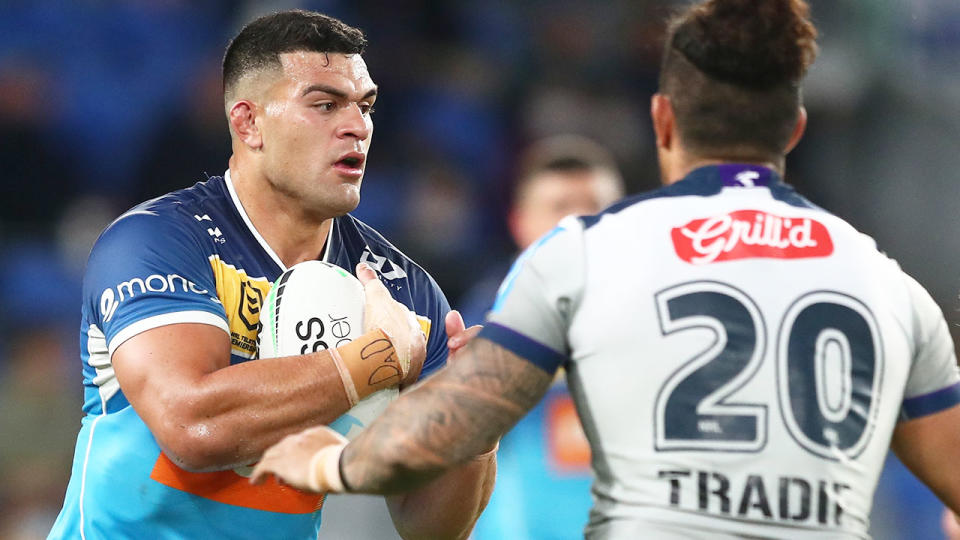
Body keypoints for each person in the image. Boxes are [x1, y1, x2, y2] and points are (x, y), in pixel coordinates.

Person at [251, 1, 960, 538]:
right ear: (795, 130)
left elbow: (437, 438)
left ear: (662, 123)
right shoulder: (887, 284)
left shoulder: (583, 257)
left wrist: (325, 460)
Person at [48, 10, 494, 539]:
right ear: (248, 123)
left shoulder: (401, 289)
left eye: (365, 105)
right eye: (325, 104)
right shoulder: (154, 241)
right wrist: (375, 360)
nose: (357, 126)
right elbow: (193, 428)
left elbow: (431, 527)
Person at [457, 135, 624, 539]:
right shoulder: (486, 316)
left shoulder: (659, 313)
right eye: (559, 209)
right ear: (520, 223)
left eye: (594, 208)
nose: (578, 224)